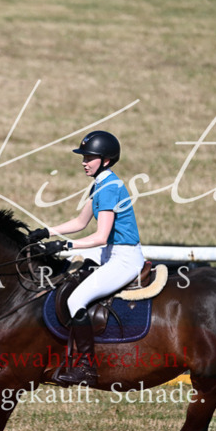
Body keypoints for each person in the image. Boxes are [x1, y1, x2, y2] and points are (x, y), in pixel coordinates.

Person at [26, 130, 144, 386]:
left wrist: (63, 244)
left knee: (77, 298)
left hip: (123, 258)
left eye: (90, 157)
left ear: (106, 160)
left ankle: (86, 368)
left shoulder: (109, 189)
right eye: (84, 157)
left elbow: (100, 236)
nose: (84, 162)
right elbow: (80, 222)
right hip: (110, 251)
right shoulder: (102, 184)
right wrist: (47, 231)